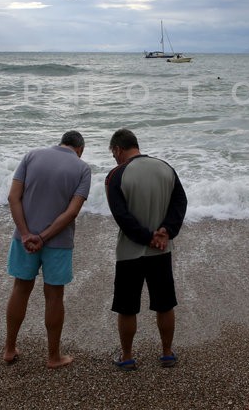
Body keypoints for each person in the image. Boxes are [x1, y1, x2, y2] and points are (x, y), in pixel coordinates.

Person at [3, 130, 91, 368]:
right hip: (58, 243)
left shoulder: (31, 156)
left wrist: (25, 234)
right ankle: (53, 356)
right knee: (54, 296)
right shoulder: (82, 169)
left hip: (24, 239)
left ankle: (9, 349)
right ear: (80, 149)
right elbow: (72, 212)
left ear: (61, 142)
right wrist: (43, 237)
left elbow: (13, 198)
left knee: (20, 289)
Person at [104, 128, 187, 371]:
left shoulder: (116, 175)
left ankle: (127, 356)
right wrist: (166, 231)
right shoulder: (165, 168)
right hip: (161, 250)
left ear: (118, 149)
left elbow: (121, 215)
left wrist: (146, 237)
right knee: (165, 304)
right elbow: (180, 202)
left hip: (130, 252)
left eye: (114, 154)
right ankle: (167, 353)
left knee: (127, 307)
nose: (115, 159)